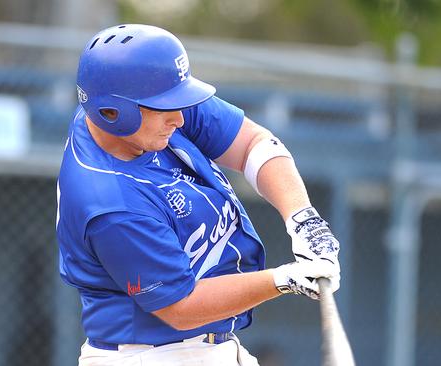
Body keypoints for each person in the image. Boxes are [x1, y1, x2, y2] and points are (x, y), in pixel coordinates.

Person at [56, 24, 341, 366]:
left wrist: (302, 218)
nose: (180, 117)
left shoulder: (142, 106)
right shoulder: (110, 202)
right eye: (165, 107)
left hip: (201, 347)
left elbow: (253, 144)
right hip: (150, 355)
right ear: (113, 113)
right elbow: (182, 308)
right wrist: (284, 279)